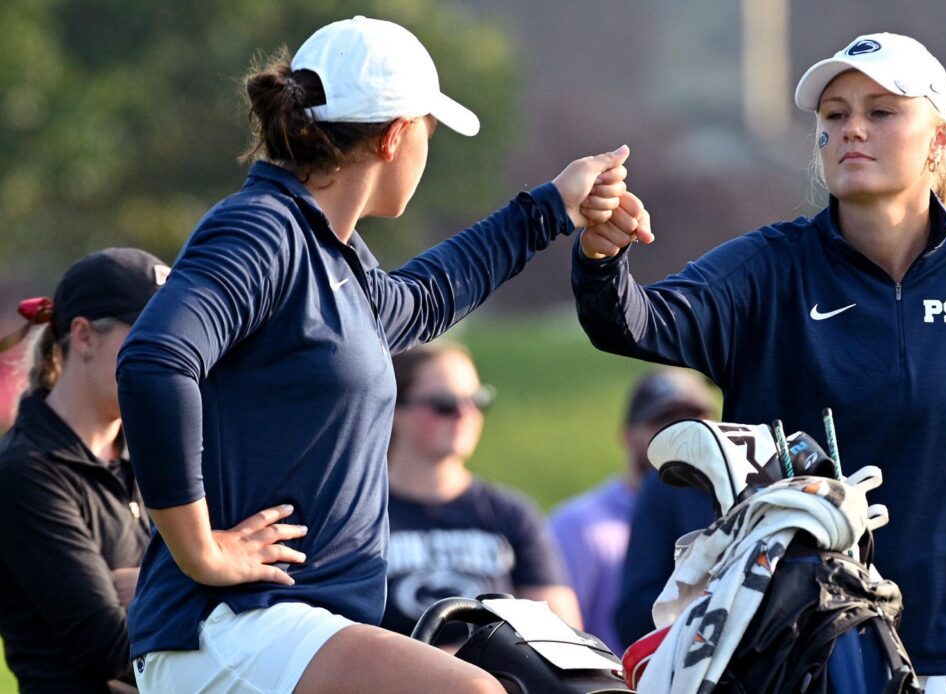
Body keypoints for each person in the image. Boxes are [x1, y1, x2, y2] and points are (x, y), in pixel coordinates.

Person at [571, 31, 946, 692]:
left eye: (881, 111)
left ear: (938, 139)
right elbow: (636, 323)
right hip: (803, 661)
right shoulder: (771, 267)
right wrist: (602, 260)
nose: (852, 130)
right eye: (835, 115)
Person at [114, 15, 637, 694]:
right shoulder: (263, 229)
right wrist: (202, 549)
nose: (430, 148)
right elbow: (155, 360)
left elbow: (423, 299)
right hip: (229, 626)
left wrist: (550, 209)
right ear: (394, 136)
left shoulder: (334, 254)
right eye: (429, 131)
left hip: (283, 632)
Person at [0, 248, 168, 692]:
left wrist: (148, 587)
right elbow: (111, 649)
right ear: (84, 336)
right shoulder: (27, 471)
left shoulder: (160, 452)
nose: (170, 356)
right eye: (150, 335)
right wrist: (196, 578)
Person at [383, 342, 580, 643]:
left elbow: (564, 637)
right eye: (445, 404)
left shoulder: (511, 513)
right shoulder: (362, 514)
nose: (465, 414)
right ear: (395, 410)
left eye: (477, 400)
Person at [547, 367, 716, 653]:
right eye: (665, 421)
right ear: (628, 436)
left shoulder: (724, 511)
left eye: (694, 421)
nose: (681, 436)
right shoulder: (578, 526)